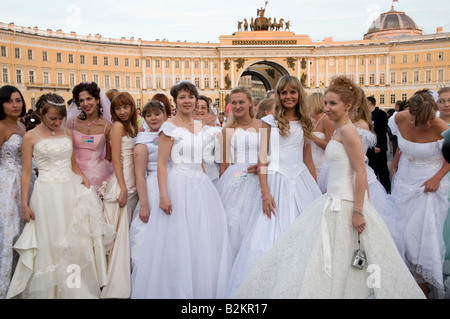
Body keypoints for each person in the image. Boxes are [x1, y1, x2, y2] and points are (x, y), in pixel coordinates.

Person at [234, 76, 425, 299]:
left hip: (346, 203)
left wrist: (358, 210)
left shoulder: (348, 131)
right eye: (326, 103)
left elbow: (361, 172)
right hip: (331, 199)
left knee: (349, 258)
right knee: (329, 256)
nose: (327, 108)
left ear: (349, 106)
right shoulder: (338, 129)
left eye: (333, 104)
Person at [6, 93, 114, 299]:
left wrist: (84, 179)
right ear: (41, 114)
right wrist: (24, 204)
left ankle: (74, 287)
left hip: (69, 190)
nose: (57, 122)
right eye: (52, 118)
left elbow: (72, 163)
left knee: (73, 238)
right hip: (46, 193)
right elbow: (27, 173)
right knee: (49, 238)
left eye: (60, 118)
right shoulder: (30, 137)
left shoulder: (66, 133)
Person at [130, 81, 230, 299]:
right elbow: (163, 164)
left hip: (200, 185)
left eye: (191, 97)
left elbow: (200, 159)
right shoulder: (169, 127)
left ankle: (198, 289)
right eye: (182, 97)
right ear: (175, 101)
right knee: (176, 240)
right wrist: (164, 195)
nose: (187, 101)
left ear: (196, 100)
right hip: (177, 185)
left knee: (198, 237)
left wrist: (203, 177)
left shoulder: (197, 125)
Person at [226, 75, 322, 297]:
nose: (288, 96)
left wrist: (315, 192)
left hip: (300, 181)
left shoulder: (306, 121)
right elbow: (262, 159)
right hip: (275, 181)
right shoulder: (269, 122)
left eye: (292, 92)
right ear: (278, 96)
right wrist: (265, 193)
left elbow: (308, 160)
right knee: (269, 235)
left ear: (299, 94)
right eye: (283, 92)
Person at [381, 89, 450, 299]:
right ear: (410, 113)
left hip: (430, 186)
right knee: (401, 232)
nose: (429, 124)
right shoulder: (399, 118)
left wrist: (437, 178)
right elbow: (401, 146)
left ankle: (423, 289)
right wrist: (393, 164)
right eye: (423, 120)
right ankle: (405, 282)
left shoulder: (442, 127)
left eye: (431, 118)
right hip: (403, 183)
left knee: (421, 238)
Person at [98, 92, 139, 299]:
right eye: (117, 108)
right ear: (113, 111)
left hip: (133, 185)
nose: (122, 112)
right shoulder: (116, 127)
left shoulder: (131, 127)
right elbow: (115, 160)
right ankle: (115, 284)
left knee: (128, 234)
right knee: (119, 237)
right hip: (122, 185)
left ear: (132, 107)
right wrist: (122, 188)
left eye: (126, 107)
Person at [215, 86, 261, 261]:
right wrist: (223, 189)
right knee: (234, 220)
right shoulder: (227, 129)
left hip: (260, 176)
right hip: (238, 175)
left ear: (250, 103)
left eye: (241, 102)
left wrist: (261, 166)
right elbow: (224, 163)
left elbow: (270, 154)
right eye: (233, 103)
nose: (237, 106)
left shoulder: (262, 125)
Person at [0, 85, 33, 298]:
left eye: (18, 100)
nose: (15, 105)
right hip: (6, 183)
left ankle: (18, 282)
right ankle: (5, 285)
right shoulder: (1, 126)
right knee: (8, 232)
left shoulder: (22, 127)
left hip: (25, 182)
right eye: (10, 101)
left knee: (23, 231)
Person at [129, 100, 167, 273]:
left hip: (172, 184)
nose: (153, 118)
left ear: (165, 115)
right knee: (148, 234)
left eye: (157, 114)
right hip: (153, 188)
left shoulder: (171, 134)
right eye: (148, 115)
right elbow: (140, 175)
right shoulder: (143, 140)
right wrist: (144, 204)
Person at [68, 82, 113, 193]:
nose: (85, 103)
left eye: (89, 99)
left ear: (97, 100)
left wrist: (99, 172)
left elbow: (109, 155)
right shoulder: (72, 122)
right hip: (72, 172)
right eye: (81, 100)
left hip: (96, 175)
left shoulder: (107, 126)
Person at [437, 87, 450, 296]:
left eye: (449, 100)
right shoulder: (432, 124)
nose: (446, 104)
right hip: (437, 176)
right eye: (442, 101)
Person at [366, 96, 391, 193]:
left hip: (379, 147)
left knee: (382, 169)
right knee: (372, 169)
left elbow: (382, 131)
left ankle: (386, 189)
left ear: (369, 103)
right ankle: (374, 190)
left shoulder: (381, 114)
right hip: (369, 148)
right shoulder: (366, 115)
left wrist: (379, 145)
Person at [306, 92, 334, 181]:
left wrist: (311, 136)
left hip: (321, 165)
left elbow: (330, 146)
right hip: (309, 163)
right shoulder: (309, 120)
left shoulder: (327, 120)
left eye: (308, 103)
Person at [194, 95, 221, 184]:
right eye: (196, 107)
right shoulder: (183, 130)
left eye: (203, 107)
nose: (199, 110)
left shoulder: (216, 132)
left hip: (212, 178)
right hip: (191, 178)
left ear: (208, 112)